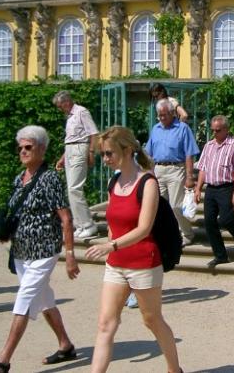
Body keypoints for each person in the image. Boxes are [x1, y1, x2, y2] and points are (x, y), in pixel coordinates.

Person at [0, 125, 80, 373]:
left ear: (42, 149)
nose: (23, 151)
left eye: (29, 147)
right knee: (44, 299)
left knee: (24, 300)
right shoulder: (20, 178)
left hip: (44, 251)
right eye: (21, 148)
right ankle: (65, 345)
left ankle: (3, 361)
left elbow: (66, 219)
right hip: (21, 253)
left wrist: (69, 255)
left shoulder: (49, 179)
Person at [85, 126, 181, 373]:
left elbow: (144, 228)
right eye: (103, 154)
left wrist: (111, 244)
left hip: (143, 262)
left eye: (109, 153)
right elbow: (114, 221)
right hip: (116, 264)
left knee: (152, 320)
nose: (105, 159)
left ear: (127, 150)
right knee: (105, 324)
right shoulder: (113, 181)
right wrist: (110, 241)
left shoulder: (147, 182)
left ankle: (174, 369)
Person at [195, 116, 234, 268]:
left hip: (226, 187)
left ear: (226, 129)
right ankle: (220, 255)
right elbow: (202, 168)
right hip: (211, 188)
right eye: (212, 130)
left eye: (218, 130)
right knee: (209, 222)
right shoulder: (208, 146)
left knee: (226, 219)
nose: (214, 133)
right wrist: (198, 188)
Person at [144, 99, 200, 246]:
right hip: (158, 169)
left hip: (176, 169)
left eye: (164, 115)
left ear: (172, 113)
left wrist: (189, 177)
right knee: (158, 205)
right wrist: (149, 172)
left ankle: (187, 233)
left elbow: (189, 154)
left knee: (176, 205)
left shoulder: (183, 128)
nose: (162, 118)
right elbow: (149, 153)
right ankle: (164, 233)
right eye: (159, 115)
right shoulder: (156, 128)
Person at [53, 90, 99, 239]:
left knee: (75, 188)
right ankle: (80, 225)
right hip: (71, 149)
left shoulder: (81, 112)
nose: (60, 109)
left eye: (60, 105)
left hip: (80, 148)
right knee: (71, 189)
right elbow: (71, 138)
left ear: (67, 102)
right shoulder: (70, 116)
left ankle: (88, 225)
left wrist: (91, 152)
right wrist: (63, 158)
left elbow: (93, 133)